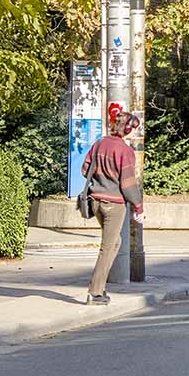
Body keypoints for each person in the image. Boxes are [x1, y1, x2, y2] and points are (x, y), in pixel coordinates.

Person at [80, 112, 143, 305]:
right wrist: (139, 207)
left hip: (95, 201)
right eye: (134, 129)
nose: (135, 132)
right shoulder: (125, 151)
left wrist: (101, 179)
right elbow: (128, 184)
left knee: (115, 242)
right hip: (113, 204)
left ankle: (100, 286)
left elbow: (85, 169)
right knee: (107, 247)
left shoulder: (100, 144)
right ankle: (95, 292)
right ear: (127, 129)